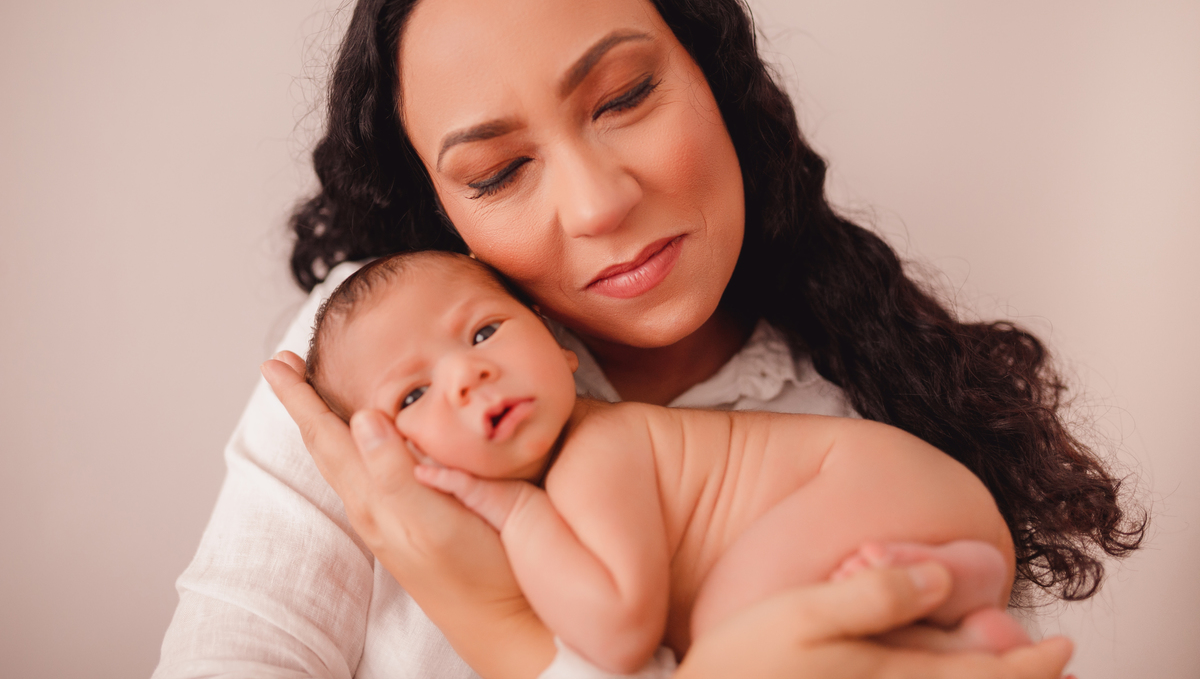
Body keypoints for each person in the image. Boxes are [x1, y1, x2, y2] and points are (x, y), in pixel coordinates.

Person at [154, 0, 1142, 677]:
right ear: (443, 215)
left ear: (715, 72)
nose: (595, 204)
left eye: (624, 96)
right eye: (497, 171)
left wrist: (503, 626)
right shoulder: (369, 368)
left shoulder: (881, 431)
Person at [303, 248, 1029, 676]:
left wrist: (517, 511)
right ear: (387, 457)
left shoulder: (598, 452)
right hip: (920, 509)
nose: (468, 376)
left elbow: (618, 635)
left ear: (561, 349)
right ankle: (962, 616)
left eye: (485, 331)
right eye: (415, 393)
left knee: (730, 639)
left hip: (875, 485)